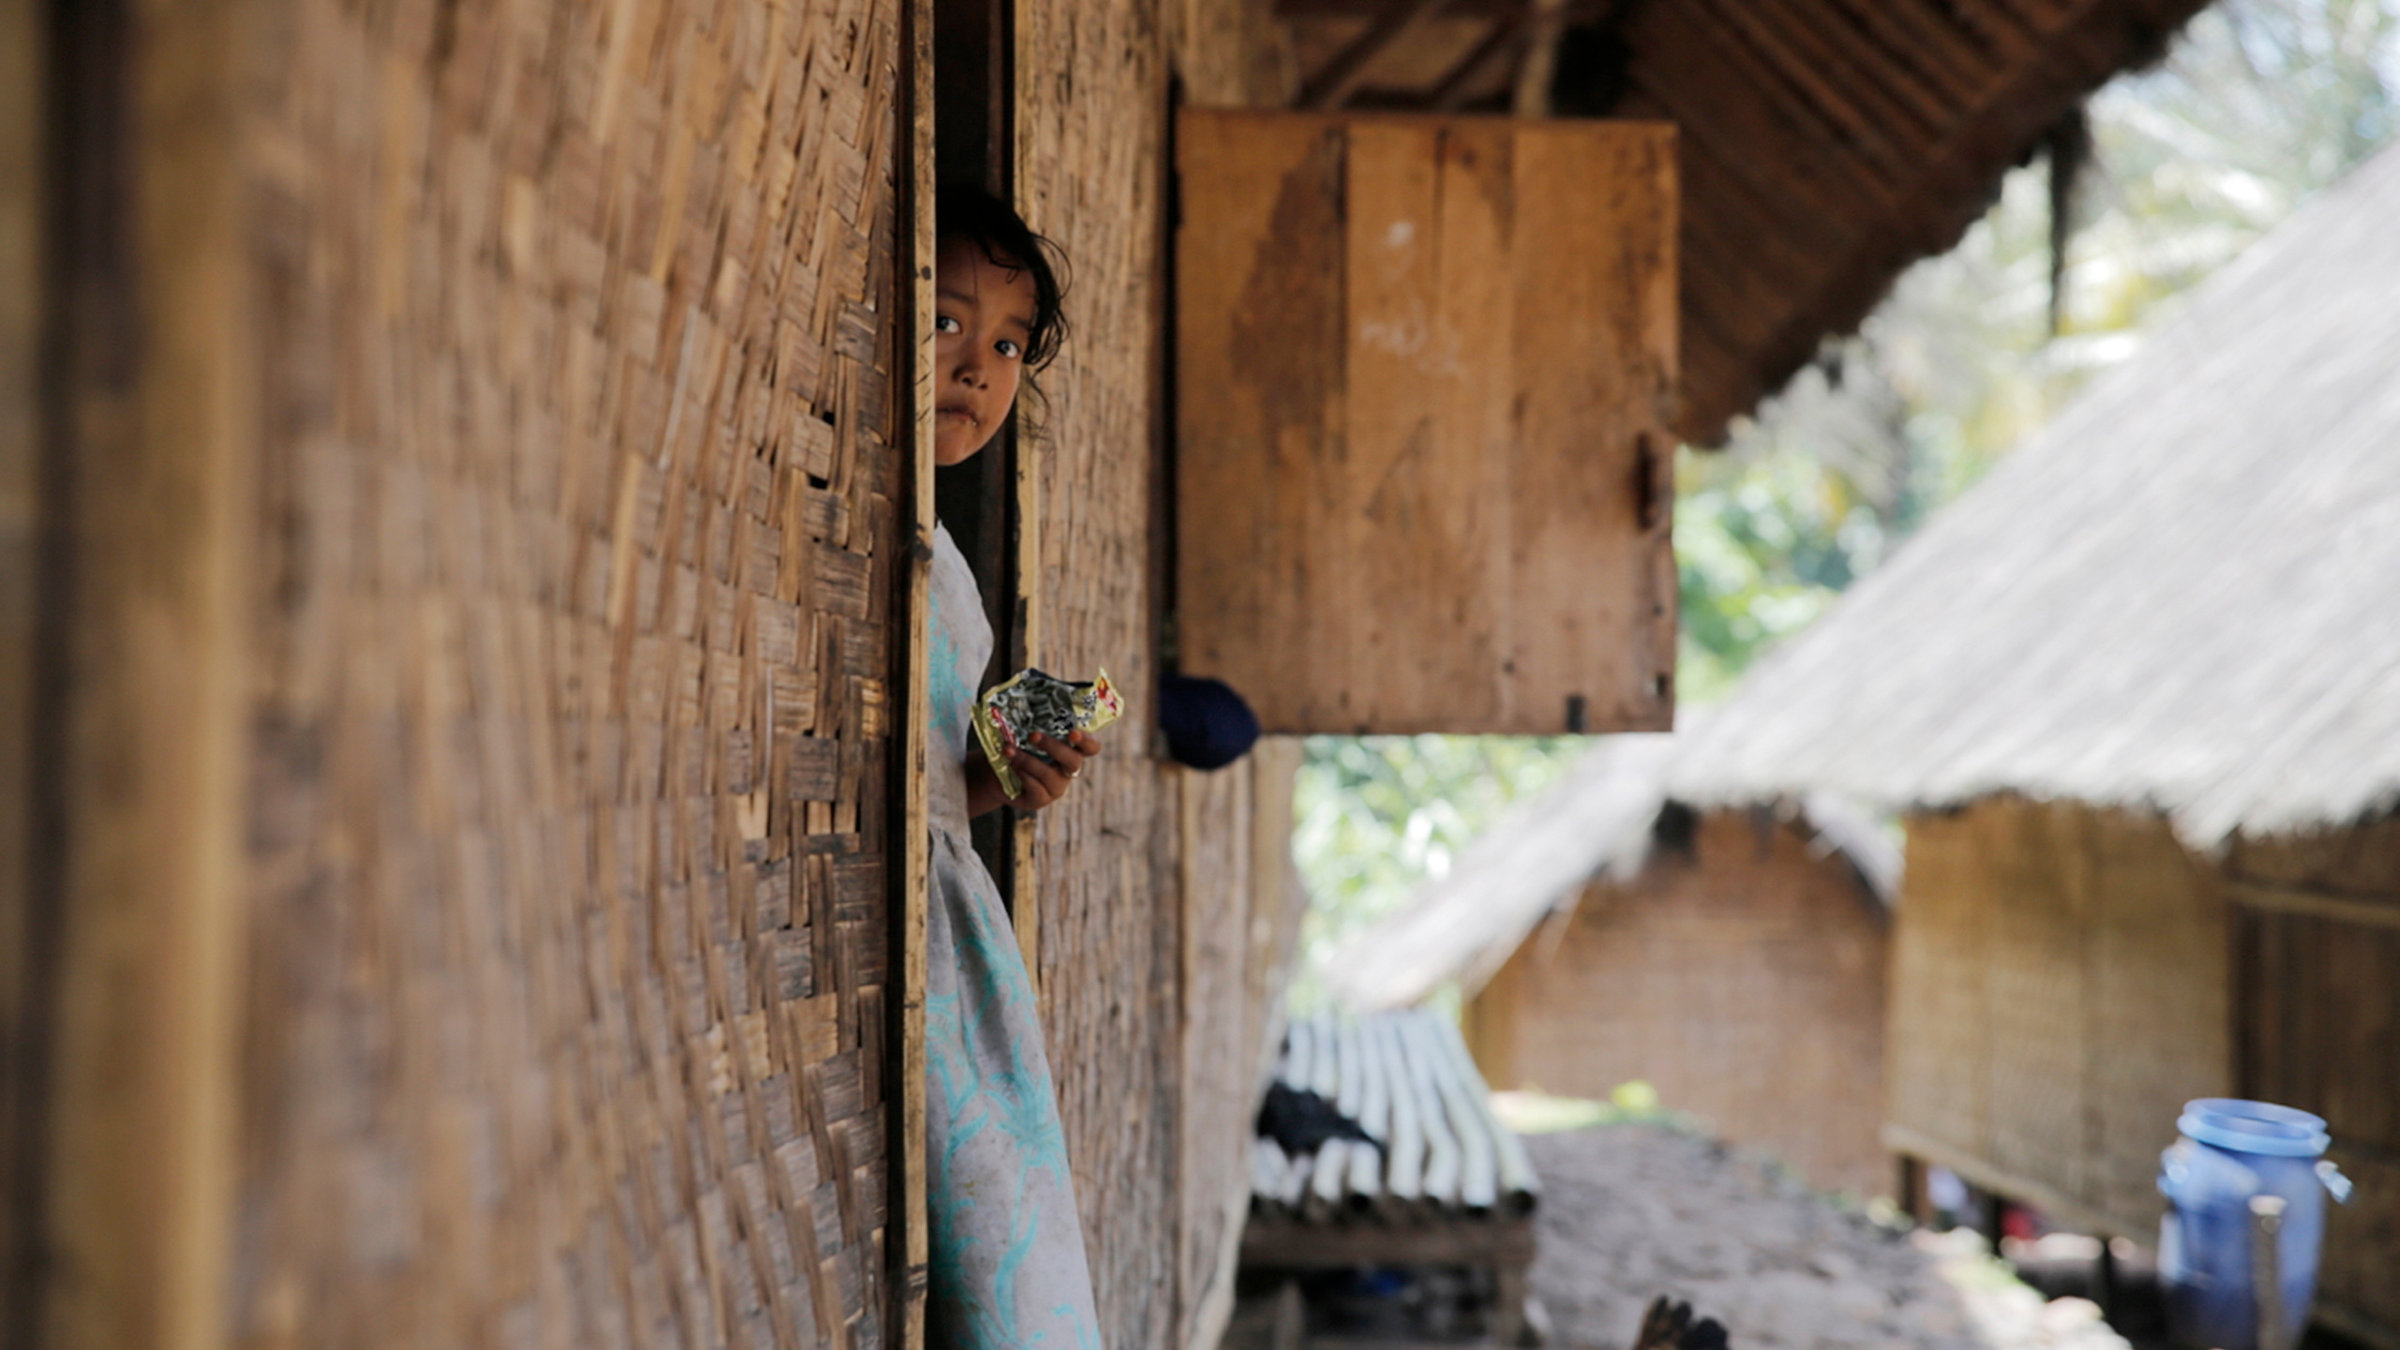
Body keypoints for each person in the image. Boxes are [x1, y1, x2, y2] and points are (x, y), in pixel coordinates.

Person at [922, 182, 1102, 1348]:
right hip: (910, 954)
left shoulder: (947, 567)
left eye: (1006, 344)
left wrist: (1006, 775)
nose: (980, 369)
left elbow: (938, 780)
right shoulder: (844, 526)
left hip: (956, 937)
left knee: (1001, 1248)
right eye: (948, 321)